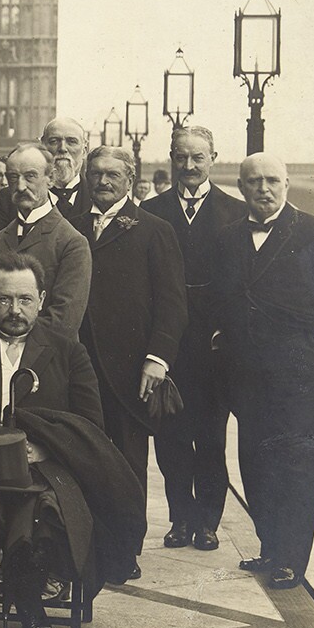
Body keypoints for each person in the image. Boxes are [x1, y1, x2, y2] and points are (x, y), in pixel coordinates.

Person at [0, 253, 132, 628]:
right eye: (5, 299)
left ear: (42, 299)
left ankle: (29, 601)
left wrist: (44, 447)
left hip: (45, 471)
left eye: (25, 299)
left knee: (42, 519)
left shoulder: (68, 350)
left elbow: (90, 424)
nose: (15, 310)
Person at [209, 153, 314, 589]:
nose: (263, 189)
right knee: (254, 462)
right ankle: (271, 546)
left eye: (272, 180)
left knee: (295, 464)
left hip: (299, 375)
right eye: (253, 181)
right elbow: (218, 297)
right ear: (240, 186)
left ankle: (292, 557)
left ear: (287, 183)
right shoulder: (227, 238)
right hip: (246, 374)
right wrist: (221, 334)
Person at [74, 146, 187, 579]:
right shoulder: (72, 227)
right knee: (83, 457)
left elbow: (173, 304)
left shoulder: (154, 230)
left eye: (112, 175)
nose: (103, 182)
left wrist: (157, 359)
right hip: (80, 367)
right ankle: (85, 548)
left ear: (130, 178)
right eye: (96, 174)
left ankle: (125, 552)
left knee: (127, 463)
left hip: (130, 371)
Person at [142, 126, 249, 549]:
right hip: (166, 347)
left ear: (213, 158)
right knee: (169, 439)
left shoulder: (235, 211)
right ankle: (180, 519)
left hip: (212, 347)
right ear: (171, 157)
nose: (188, 166)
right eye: (181, 157)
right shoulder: (150, 211)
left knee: (209, 437)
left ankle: (207, 521)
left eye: (197, 158)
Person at [0, 142, 91, 339]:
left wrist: (10, 345)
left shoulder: (72, 243)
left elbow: (63, 321)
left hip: (46, 360)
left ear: (50, 179)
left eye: (30, 176)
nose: (20, 186)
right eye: (13, 177)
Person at [41, 117, 89, 221]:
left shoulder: (98, 197)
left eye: (72, 141)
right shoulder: (10, 200)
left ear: (84, 151)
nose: (62, 148)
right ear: (43, 148)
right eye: (54, 141)